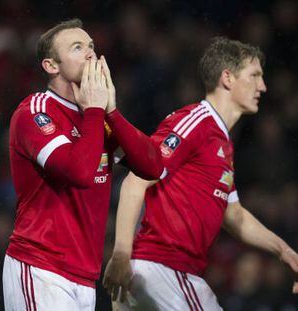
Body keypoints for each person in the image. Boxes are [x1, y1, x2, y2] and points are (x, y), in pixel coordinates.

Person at [102, 37, 298, 310]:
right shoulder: (197, 121)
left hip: (161, 275)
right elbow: (136, 180)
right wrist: (121, 254)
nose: (263, 86)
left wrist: (284, 251)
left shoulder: (222, 141)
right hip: (163, 271)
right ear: (227, 78)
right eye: (254, 76)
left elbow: (235, 216)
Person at [1, 18, 157, 311]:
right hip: (40, 268)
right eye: (77, 47)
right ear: (51, 66)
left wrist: (111, 111)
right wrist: (97, 111)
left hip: (85, 277)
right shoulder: (34, 113)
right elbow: (80, 172)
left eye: (91, 46)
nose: (90, 54)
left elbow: (152, 167)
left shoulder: (96, 118)